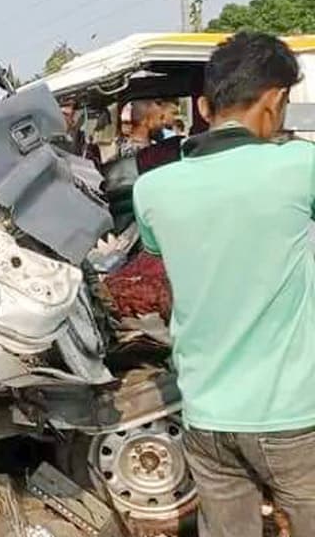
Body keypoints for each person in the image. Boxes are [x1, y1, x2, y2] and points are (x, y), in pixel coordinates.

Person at [132, 32, 314, 536]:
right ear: (276, 100)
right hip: (293, 416)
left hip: (207, 417)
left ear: (204, 105)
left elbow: (165, 275)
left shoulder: (153, 190)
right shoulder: (301, 167)